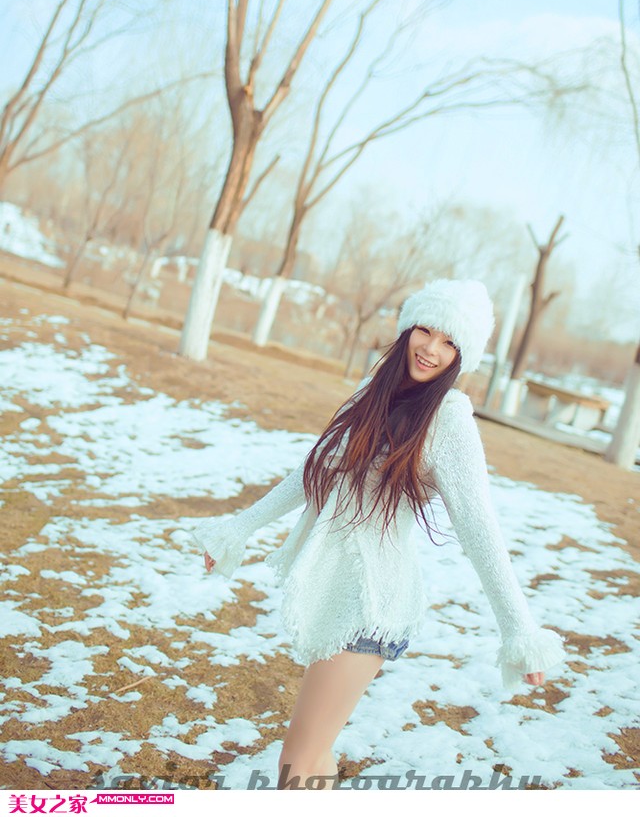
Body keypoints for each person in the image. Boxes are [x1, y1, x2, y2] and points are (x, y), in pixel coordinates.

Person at [190, 278, 566, 791]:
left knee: (297, 757)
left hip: (372, 602)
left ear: (462, 357)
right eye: (426, 330)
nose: (431, 349)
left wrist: (519, 632)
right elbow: (311, 472)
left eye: (449, 342)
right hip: (334, 588)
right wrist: (237, 529)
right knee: (314, 750)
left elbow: (481, 529)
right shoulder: (373, 393)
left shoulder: (450, 421)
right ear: (408, 328)